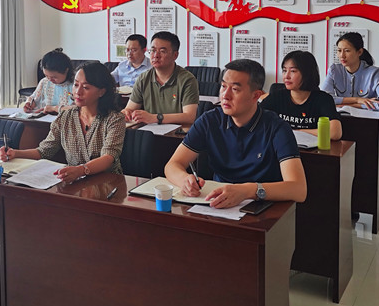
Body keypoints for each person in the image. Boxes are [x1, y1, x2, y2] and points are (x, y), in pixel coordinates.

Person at [164, 59, 307, 209]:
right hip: (217, 203)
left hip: (261, 207)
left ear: (255, 96)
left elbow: (298, 189)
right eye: (223, 86)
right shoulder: (209, 120)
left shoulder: (277, 128)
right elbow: (173, 165)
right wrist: (184, 180)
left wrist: (248, 191)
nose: (225, 95)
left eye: (235, 89)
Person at [0, 62, 125, 179]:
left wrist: (81, 170)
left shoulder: (114, 119)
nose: (78, 92)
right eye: (76, 85)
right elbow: (44, 151)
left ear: (101, 92)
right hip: (75, 181)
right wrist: (15, 153)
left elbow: (108, 157)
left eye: (86, 87)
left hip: (108, 182)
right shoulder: (66, 116)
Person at [122, 31, 199, 126]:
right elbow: (130, 108)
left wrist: (155, 118)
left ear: (175, 55)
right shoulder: (143, 78)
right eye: (153, 50)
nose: (156, 55)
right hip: (149, 132)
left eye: (162, 51)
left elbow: (189, 117)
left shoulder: (187, 80)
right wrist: (126, 113)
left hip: (177, 133)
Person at [261, 50, 342, 140]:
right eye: (284, 70)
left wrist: (298, 132)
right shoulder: (277, 96)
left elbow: (335, 133)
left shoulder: (323, 100)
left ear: (307, 74)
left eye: (293, 71)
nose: (286, 76)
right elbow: (254, 119)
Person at [321, 32, 379, 112]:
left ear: (359, 52)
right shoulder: (334, 70)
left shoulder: (374, 73)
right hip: (341, 118)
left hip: (365, 118)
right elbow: (324, 99)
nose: (342, 55)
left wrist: (347, 105)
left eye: (347, 51)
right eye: (339, 50)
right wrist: (357, 100)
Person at [24, 48, 74, 113]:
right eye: (46, 76)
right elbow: (34, 98)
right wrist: (30, 103)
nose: (50, 80)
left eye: (54, 77)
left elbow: (79, 109)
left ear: (66, 71)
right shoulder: (44, 82)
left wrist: (53, 108)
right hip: (46, 117)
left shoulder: (75, 85)